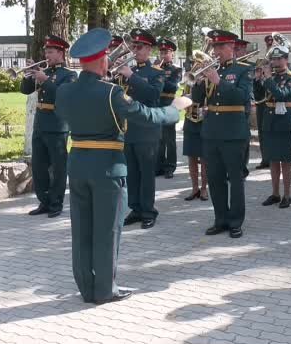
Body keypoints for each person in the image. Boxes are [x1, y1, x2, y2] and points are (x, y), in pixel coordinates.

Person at [55, 27, 190, 304]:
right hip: (108, 168)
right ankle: (105, 290)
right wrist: (176, 108)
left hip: (78, 164)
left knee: (81, 229)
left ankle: (86, 287)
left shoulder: (65, 91)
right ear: (103, 60)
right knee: (107, 230)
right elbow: (148, 116)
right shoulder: (111, 93)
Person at [191, 29, 252, 238]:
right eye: (214, 46)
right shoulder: (210, 69)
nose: (216, 51)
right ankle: (220, 219)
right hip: (211, 132)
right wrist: (198, 81)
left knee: (235, 179)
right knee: (215, 179)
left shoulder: (244, 69)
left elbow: (242, 97)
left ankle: (235, 221)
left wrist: (219, 81)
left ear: (232, 47)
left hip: (234, 132)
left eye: (220, 46)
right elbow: (199, 99)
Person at [21, 35, 77, 218]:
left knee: (58, 168)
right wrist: (29, 73)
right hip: (40, 124)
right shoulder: (45, 71)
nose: (47, 55)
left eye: (51, 52)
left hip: (57, 125)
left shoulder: (69, 75)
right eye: (46, 52)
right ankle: (44, 201)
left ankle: (56, 203)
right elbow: (25, 90)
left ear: (61, 53)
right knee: (39, 167)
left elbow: (63, 96)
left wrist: (45, 80)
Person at [118, 29, 164, 229]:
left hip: (147, 129)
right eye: (134, 46)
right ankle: (135, 208)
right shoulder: (128, 70)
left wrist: (131, 76)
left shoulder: (157, 73)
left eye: (139, 47)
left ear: (149, 49)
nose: (135, 50)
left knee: (146, 173)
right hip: (129, 129)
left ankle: (148, 210)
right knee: (132, 173)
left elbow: (153, 95)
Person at [259, 45, 291, 208]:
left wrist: (268, 78)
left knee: (285, 160)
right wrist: (258, 79)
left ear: (286, 59)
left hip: (284, 123)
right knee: (273, 159)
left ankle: (287, 195)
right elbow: (258, 96)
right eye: (274, 59)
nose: (275, 61)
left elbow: (282, 95)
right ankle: (275, 193)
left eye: (279, 58)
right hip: (269, 121)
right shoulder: (271, 77)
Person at [155, 37, 183, 179]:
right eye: (161, 52)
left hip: (169, 104)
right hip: (157, 105)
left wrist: (159, 76)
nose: (163, 55)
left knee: (169, 139)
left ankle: (170, 167)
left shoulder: (177, 69)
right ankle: (159, 166)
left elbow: (172, 86)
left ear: (172, 54)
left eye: (166, 52)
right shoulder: (156, 68)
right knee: (158, 138)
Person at [182, 80, 209, 202]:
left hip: (204, 122)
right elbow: (184, 98)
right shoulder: (189, 82)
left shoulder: (209, 82)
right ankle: (194, 188)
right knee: (191, 157)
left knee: (204, 157)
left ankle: (204, 188)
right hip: (190, 122)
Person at [235, 38, 253, 179]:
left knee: (243, 139)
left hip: (243, 106)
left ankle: (242, 169)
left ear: (245, 51)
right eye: (235, 49)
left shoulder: (249, 66)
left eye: (239, 49)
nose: (236, 52)